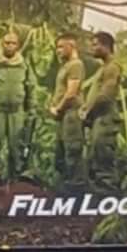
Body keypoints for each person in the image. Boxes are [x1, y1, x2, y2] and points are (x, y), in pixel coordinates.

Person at [0, 27, 34, 179]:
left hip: (16, 112)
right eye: (7, 43)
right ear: (2, 44)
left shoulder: (24, 65)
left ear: (17, 46)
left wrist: (31, 111)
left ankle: (16, 176)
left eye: (13, 43)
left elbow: (30, 88)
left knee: (16, 145)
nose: (10, 46)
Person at [81, 32, 124, 187]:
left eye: (95, 45)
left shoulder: (112, 67)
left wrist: (88, 110)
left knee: (103, 161)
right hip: (99, 120)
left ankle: (108, 200)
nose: (92, 48)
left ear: (105, 46)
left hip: (106, 120)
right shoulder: (104, 67)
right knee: (94, 159)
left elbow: (106, 95)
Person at [48, 34, 85, 179]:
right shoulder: (66, 66)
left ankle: (75, 189)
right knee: (61, 152)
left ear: (72, 46)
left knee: (72, 152)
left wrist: (58, 109)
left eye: (61, 47)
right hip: (64, 115)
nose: (58, 50)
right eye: (57, 47)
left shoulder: (76, 65)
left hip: (71, 114)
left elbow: (71, 93)